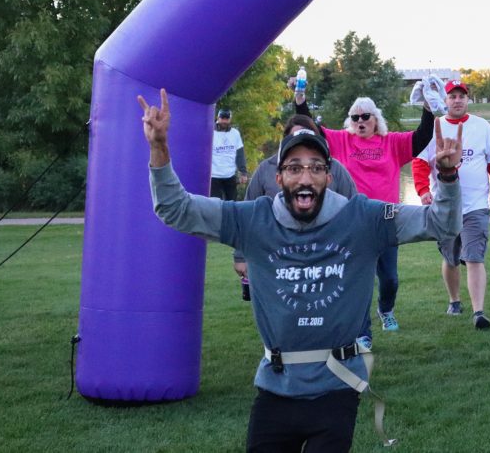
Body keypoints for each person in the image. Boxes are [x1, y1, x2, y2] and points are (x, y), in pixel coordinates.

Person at [138, 88, 463, 452]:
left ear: (329, 176)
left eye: (315, 168)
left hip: (337, 386)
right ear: (278, 178)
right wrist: (159, 148)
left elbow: (442, 224)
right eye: (294, 168)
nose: (305, 178)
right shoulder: (253, 219)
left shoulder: (363, 217)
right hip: (276, 387)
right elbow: (175, 209)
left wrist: (447, 177)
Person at [295, 92, 435, 332]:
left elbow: (422, 136)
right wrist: (300, 102)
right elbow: (312, 130)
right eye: (355, 117)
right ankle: (362, 330)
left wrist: (428, 107)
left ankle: (386, 309)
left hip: (386, 219)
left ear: (375, 119)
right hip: (354, 221)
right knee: (358, 280)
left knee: (390, 278)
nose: (360, 121)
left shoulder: (392, 142)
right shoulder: (342, 141)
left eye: (365, 117)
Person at [413, 80, 490, 329]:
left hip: (475, 205)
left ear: (468, 100)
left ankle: (478, 311)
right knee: (451, 258)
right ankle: (454, 300)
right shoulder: (435, 127)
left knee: (475, 257)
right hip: (445, 205)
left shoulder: (482, 127)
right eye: (452, 96)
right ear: (445, 100)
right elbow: (420, 162)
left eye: (461, 96)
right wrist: (423, 190)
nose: (457, 100)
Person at [234, 114, 358, 283]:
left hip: (325, 254)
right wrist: (241, 256)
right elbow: (246, 214)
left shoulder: (335, 169)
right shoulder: (265, 170)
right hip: (278, 255)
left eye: (308, 137)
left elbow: (354, 212)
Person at [210, 108, 248, 200]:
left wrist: (243, 172)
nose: (224, 121)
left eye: (226, 118)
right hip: (214, 176)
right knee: (215, 204)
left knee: (232, 203)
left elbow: (240, 154)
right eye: (222, 118)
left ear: (230, 119)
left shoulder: (235, 133)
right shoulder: (210, 132)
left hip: (230, 175)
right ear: (218, 118)